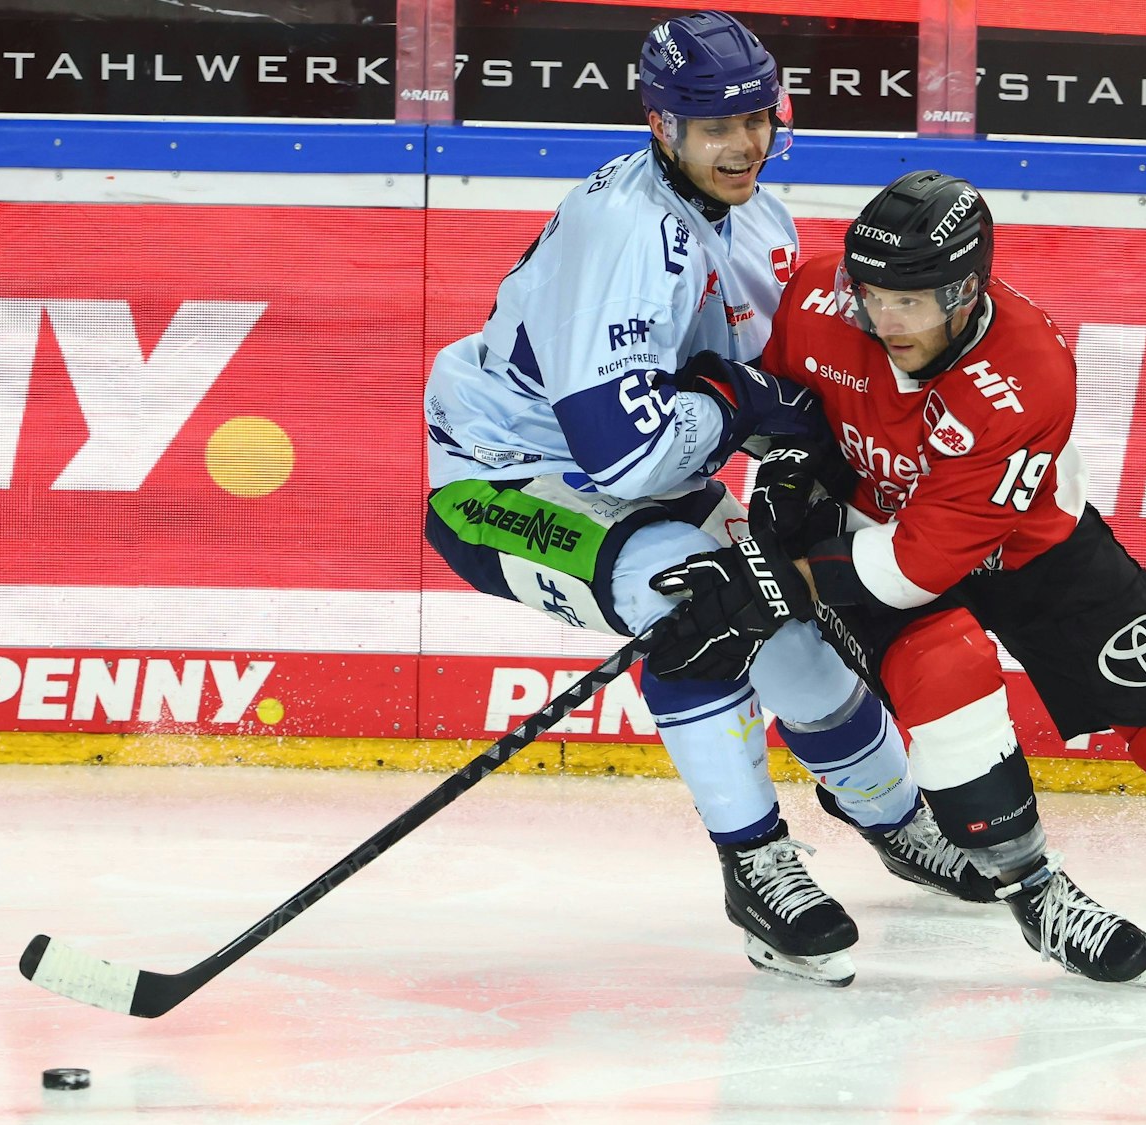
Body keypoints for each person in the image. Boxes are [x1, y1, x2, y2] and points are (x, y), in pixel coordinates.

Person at [651, 170, 1146, 989]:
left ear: (966, 290)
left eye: (911, 301)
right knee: (947, 666)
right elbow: (790, 405)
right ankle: (1035, 890)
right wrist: (789, 470)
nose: (883, 318)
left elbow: (911, 568)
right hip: (868, 529)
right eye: (871, 294)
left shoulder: (1026, 369)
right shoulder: (823, 295)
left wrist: (787, 581)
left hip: (1017, 549)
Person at [420, 17, 994, 989]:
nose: (743, 145)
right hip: (501, 477)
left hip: (651, 476)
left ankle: (899, 824)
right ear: (660, 125)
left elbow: (768, 385)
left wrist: (815, 457)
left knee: (796, 637)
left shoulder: (762, 218)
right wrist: (740, 411)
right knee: (693, 604)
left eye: (755, 118)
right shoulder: (623, 234)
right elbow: (624, 454)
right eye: (712, 126)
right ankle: (756, 869)